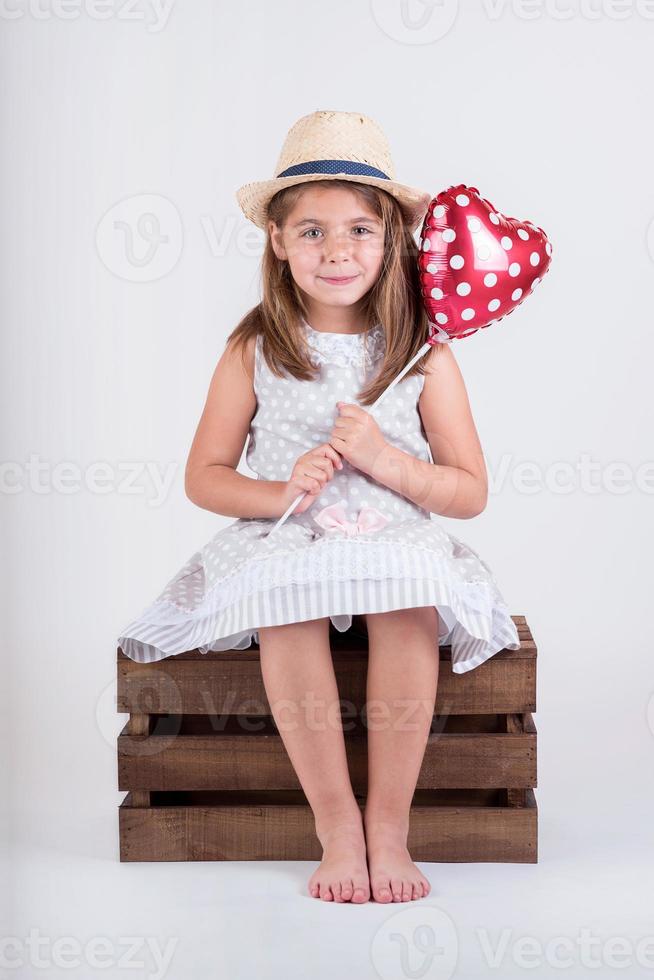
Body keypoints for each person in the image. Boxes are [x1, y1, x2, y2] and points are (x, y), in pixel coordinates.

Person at [117, 109, 521, 904]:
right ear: (277, 242)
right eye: (311, 232)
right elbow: (204, 476)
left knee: (407, 602)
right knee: (287, 606)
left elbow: (469, 491)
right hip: (291, 537)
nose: (336, 250)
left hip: (394, 532)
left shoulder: (424, 356)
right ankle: (336, 826)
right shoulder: (254, 350)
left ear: (393, 240)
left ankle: (388, 830)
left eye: (359, 231)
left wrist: (386, 461)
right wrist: (284, 490)